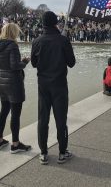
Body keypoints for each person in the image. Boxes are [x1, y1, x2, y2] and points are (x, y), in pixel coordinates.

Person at [31, 11, 76, 165]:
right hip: (59, 85)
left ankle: (43, 152)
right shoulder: (63, 40)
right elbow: (71, 63)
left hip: (43, 85)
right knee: (61, 120)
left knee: (42, 119)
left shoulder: (36, 41)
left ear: (42, 24)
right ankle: (62, 153)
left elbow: (34, 64)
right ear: (56, 22)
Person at [0, 23, 31, 153]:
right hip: (13, 84)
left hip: (1, 82)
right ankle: (15, 144)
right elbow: (14, 65)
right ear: (13, 33)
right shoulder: (12, 45)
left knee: (4, 111)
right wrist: (24, 61)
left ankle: (0, 140)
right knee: (15, 114)